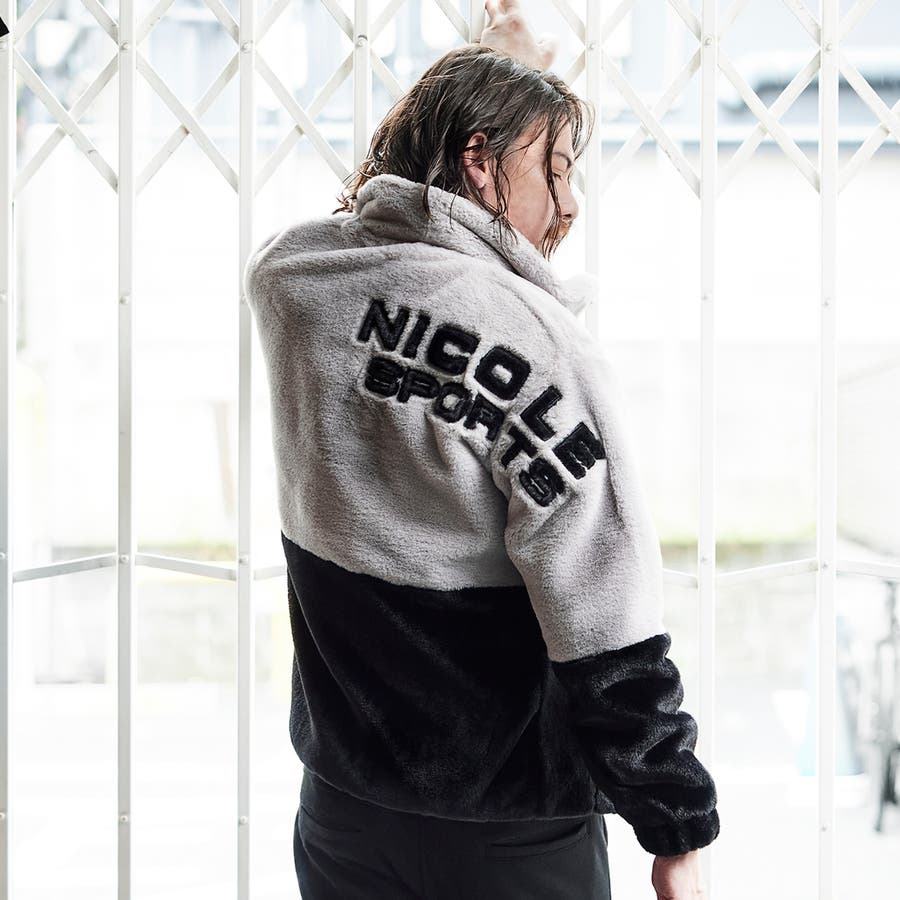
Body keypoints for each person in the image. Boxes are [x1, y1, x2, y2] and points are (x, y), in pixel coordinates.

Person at [242, 1, 720, 897]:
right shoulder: (539, 342)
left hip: (343, 812)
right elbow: (602, 615)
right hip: (512, 832)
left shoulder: (292, 283)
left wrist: (487, 86)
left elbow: (380, 211)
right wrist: (675, 822)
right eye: (557, 169)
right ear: (478, 160)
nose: (570, 205)